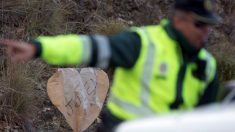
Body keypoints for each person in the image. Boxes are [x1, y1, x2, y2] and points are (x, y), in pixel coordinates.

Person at [0, 0, 222, 131]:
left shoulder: (208, 66)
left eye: (209, 25)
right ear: (178, 20)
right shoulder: (143, 44)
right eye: (200, 24)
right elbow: (88, 47)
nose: (206, 31)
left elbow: (205, 120)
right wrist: (40, 48)